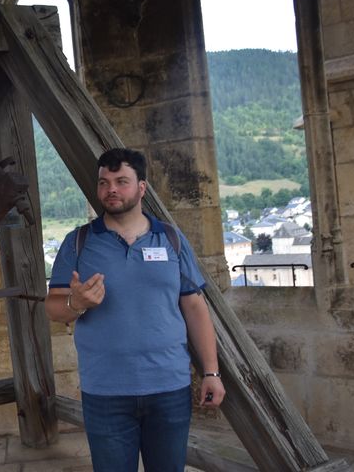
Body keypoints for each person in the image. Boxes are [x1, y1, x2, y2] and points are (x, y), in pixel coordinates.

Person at [45, 148, 225, 472]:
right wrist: (77, 303)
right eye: (104, 182)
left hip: (169, 387)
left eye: (121, 181)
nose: (111, 189)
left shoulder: (171, 239)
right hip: (105, 391)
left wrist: (211, 372)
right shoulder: (78, 242)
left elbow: (195, 307)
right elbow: (54, 308)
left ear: (141, 188)